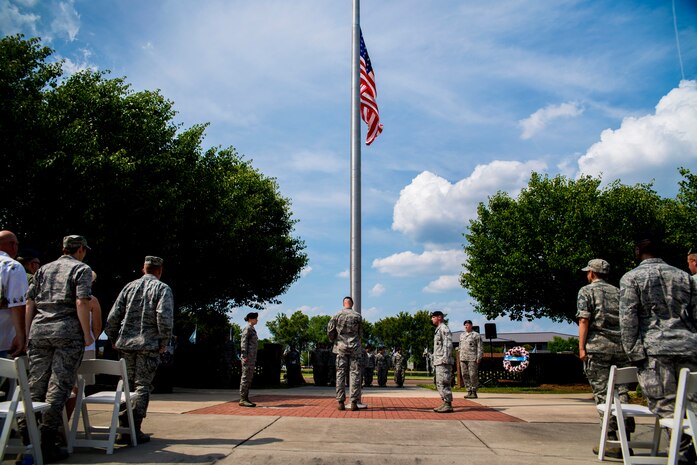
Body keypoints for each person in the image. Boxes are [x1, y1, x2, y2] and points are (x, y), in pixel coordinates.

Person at [620, 234, 697, 464]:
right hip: (689, 346)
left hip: (655, 350)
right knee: (692, 404)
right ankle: (688, 446)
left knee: (665, 405)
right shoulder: (685, 277)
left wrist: (634, 353)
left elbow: (628, 319)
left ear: (638, 252)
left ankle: (681, 452)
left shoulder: (632, 278)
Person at [25, 235, 93, 462]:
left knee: (36, 384)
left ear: (63, 248)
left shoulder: (42, 269)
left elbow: (30, 302)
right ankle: (47, 440)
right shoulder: (81, 269)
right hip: (67, 332)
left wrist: (28, 333)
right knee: (59, 387)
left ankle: (28, 434)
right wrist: (86, 333)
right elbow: (82, 301)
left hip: (39, 330)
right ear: (80, 249)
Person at [106, 256, 173, 444]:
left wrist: (113, 338)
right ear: (159, 270)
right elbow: (164, 318)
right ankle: (133, 428)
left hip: (126, 346)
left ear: (144, 269)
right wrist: (164, 341)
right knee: (142, 386)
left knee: (125, 385)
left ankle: (122, 426)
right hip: (148, 345)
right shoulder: (162, 289)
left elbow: (113, 316)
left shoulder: (129, 287)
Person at [577, 258, 633, 459]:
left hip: (598, 348)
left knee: (602, 393)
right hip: (621, 348)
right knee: (622, 391)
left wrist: (581, 347)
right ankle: (625, 436)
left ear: (592, 273)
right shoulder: (620, 292)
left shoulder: (586, 291)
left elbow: (584, 319)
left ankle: (610, 438)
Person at [327, 296, 362, 411]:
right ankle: (353, 402)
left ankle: (341, 402)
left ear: (343, 304)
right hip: (354, 347)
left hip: (341, 347)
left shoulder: (336, 315)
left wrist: (334, 340)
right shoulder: (357, 316)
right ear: (352, 304)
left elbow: (330, 331)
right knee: (355, 374)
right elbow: (360, 333)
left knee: (340, 373)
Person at [0, 230, 28, 358]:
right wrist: (22, 335)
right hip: (3, 340)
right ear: (13, 245)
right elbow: (18, 305)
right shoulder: (12, 266)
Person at [431, 310, 453, 413]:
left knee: (444, 382)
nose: (432, 319)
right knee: (439, 382)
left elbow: (448, 344)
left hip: (443, 361)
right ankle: (445, 402)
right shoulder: (438, 329)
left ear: (439, 317)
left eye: (433, 317)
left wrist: (445, 358)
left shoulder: (444, 328)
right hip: (439, 360)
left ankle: (448, 404)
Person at [459, 319, 483, 399]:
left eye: (468, 324)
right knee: (464, 374)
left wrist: (479, 357)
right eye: (465, 325)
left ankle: (474, 391)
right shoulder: (462, 335)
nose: (466, 326)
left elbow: (480, 347)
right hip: (463, 358)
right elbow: (460, 346)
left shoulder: (476, 335)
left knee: (473, 375)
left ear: (471, 325)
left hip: (472, 358)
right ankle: (468, 391)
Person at [239, 311, 259, 407]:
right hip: (247, 358)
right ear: (251, 319)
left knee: (249, 378)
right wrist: (244, 356)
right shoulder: (247, 328)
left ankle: (246, 398)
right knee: (245, 378)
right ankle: (243, 399)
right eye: (255, 318)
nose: (257, 320)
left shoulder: (252, 329)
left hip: (251, 358)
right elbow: (244, 343)